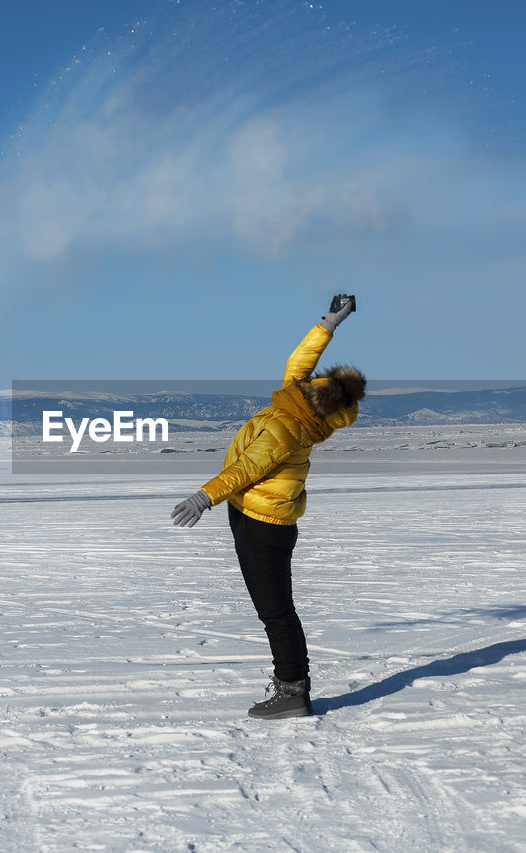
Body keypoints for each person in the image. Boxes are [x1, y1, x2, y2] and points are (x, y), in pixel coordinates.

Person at [171, 295, 365, 719]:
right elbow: (300, 361)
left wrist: (203, 497)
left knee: (275, 611)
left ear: (318, 397)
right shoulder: (297, 404)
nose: (306, 379)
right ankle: (290, 686)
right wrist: (330, 323)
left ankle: (292, 691)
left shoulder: (287, 425)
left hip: (263, 525)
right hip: (257, 515)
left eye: (315, 383)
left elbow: (247, 468)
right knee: (276, 609)